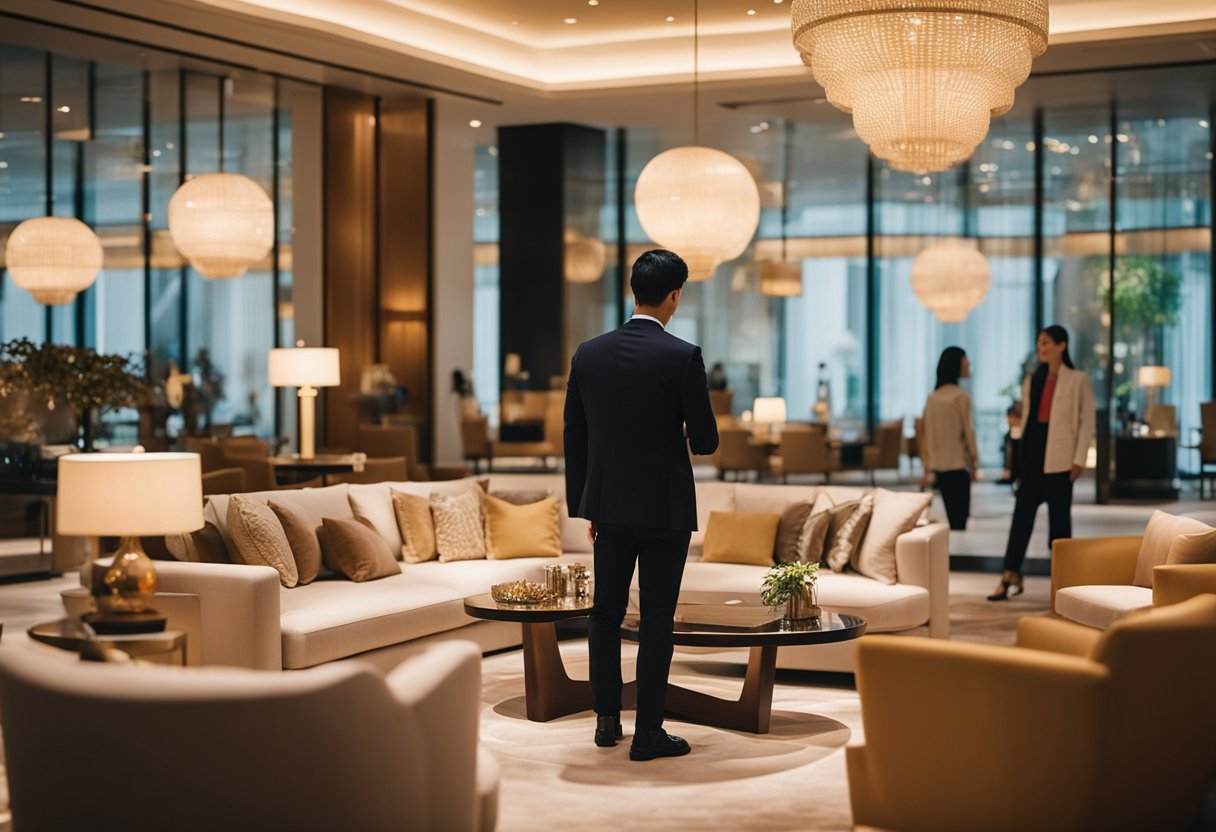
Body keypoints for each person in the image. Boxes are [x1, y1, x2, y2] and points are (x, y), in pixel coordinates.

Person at [564, 249, 719, 761]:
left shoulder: (588, 353)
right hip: (664, 509)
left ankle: (607, 722)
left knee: (604, 614)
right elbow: (706, 441)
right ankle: (649, 733)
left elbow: (576, 436)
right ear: (674, 295)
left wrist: (586, 506)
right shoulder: (683, 356)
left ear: (634, 291)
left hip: (608, 508)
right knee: (656, 618)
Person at [990, 325, 1095, 601]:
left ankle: (1064, 582)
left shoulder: (1078, 379)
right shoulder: (1032, 379)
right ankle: (1009, 574)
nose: (1042, 348)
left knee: (1060, 525)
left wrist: (1079, 459)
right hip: (1033, 456)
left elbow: (1086, 423)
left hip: (1061, 461)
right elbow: (1027, 422)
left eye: (1046, 342)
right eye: (1039, 343)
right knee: (1021, 519)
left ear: (1062, 345)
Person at [919, 347, 979, 531]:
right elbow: (968, 433)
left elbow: (926, 434)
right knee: (960, 520)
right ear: (957, 365)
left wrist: (928, 464)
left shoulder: (932, 398)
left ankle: (954, 556)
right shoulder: (961, 397)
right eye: (965, 360)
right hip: (959, 466)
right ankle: (962, 557)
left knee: (953, 518)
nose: (968, 364)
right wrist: (975, 461)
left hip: (940, 467)